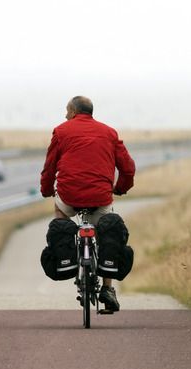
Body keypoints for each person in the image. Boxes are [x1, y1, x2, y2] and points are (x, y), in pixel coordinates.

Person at [40, 96, 136, 313]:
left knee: (60, 215)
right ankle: (108, 289)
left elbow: (49, 167)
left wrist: (47, 190)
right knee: (107, 229)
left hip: (69, 196)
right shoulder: (109, 133)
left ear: (74, 111)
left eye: (67, 111)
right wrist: (120, 188)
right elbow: (128, 168)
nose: (65, 115)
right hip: (100, 197)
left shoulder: (61, 131)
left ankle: (67, 256)